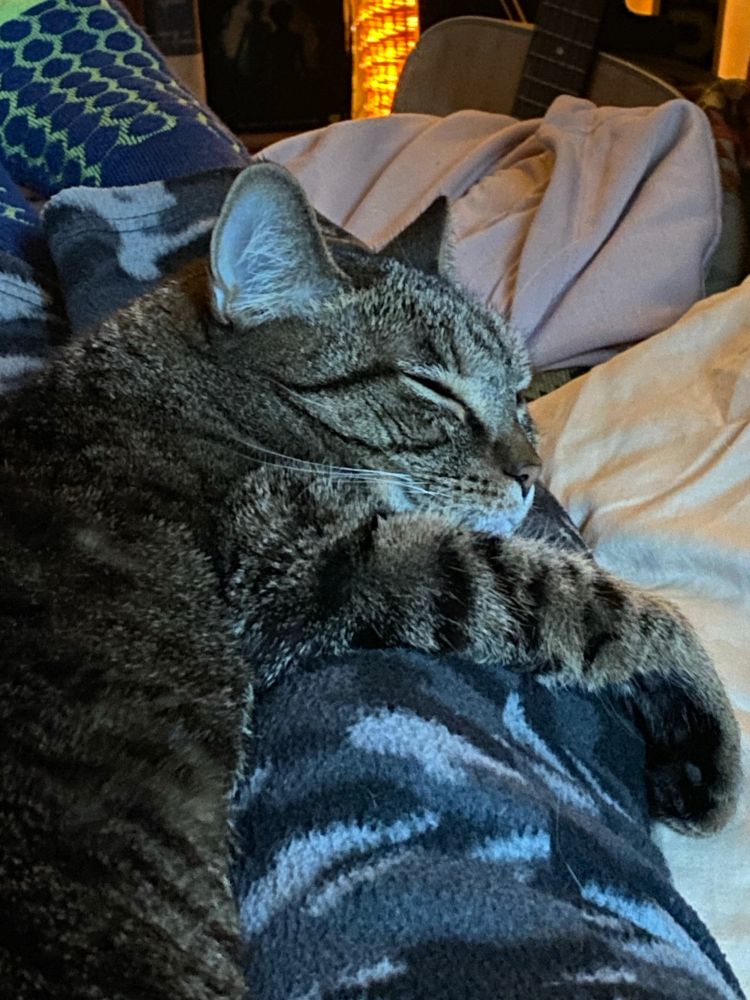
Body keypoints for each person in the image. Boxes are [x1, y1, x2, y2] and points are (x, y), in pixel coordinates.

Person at [0, 4, 743, 997]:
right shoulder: (189, 453)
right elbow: (363, 574)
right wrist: (634, 634)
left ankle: (121, 181)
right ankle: (164, 166)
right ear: (255, 304)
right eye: (443, 401)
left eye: (516, 400)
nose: (523, 459)